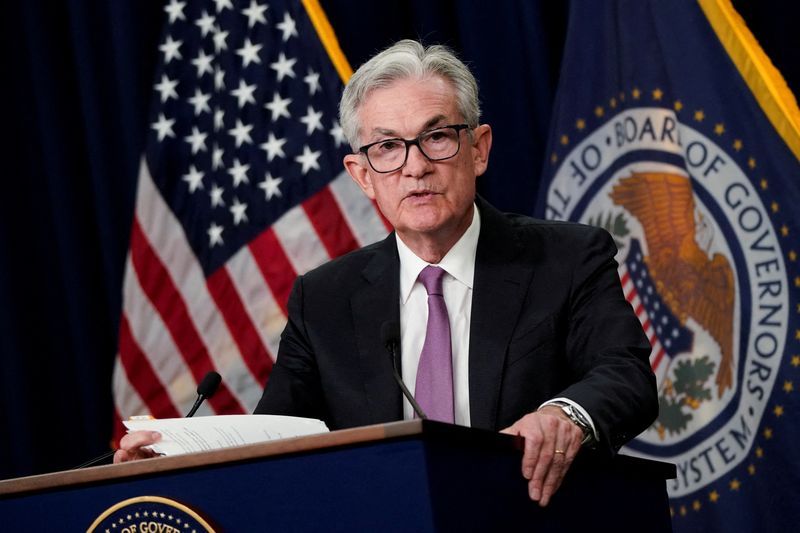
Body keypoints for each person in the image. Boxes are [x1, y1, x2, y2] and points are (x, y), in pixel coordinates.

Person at [116, 39, 657, 507]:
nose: (415, 166)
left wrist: (565, 416)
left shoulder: (566, 257)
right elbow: (278, 438)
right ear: (362, 175)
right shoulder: (325, 298)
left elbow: (625, 375)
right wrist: (172, 458)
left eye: (437, 136)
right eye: (387, 148)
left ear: (479, 149)